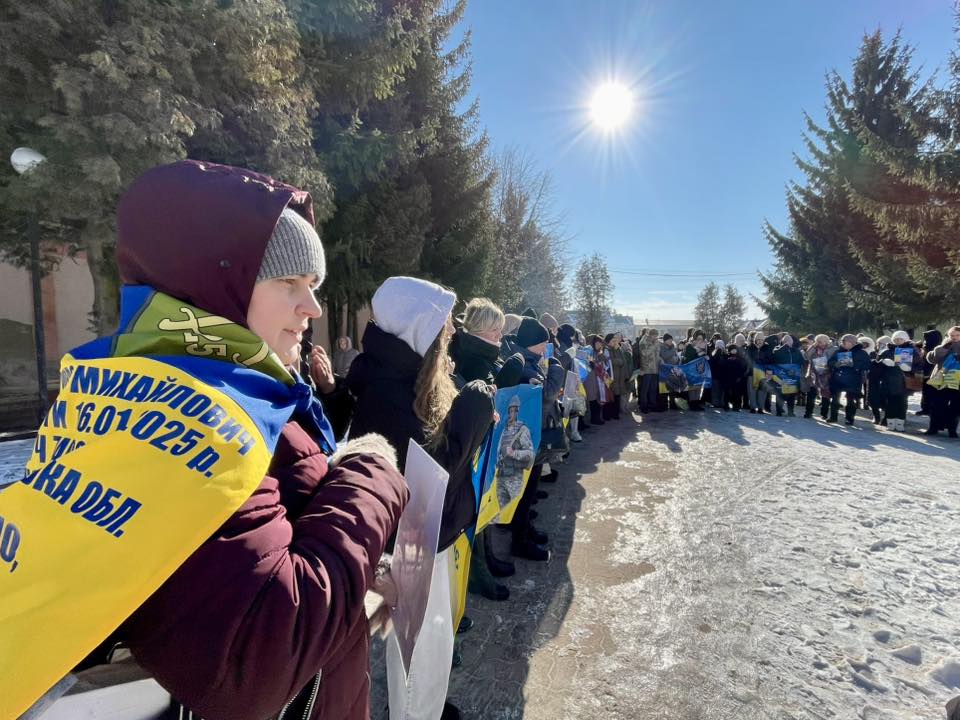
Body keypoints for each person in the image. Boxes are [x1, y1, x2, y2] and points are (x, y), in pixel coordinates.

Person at [71, 161, 409, 720]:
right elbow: (256, 657)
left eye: (313, 286)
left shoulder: (243, 393)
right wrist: (369, 470)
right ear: (213, 289)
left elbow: (274, 551)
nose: (312, 307)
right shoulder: (185, 417)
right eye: (288, 283)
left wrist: (353, 573)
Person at [346, 276, 495, 720]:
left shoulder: (405, 376)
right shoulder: (388, 390)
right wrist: (472, 412)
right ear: (419, 329)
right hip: (411, 541)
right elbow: (430, 477)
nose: (451, 331)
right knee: (418, 651)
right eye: (444, 323)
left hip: (427, 535)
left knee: (433, 643)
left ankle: (423, 710)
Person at [449, 298, 524, 600]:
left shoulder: (481, 352)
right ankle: (477, 574)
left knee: (484, 507)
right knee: (475, 510)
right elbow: (483, 398)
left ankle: (486, 560)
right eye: (496, 331)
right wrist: (509, 375)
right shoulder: (472, 358)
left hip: (482, 442)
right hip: (473, 445)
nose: (500, 336)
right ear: (481, 330)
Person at [510, 317, 566, 561]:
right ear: (532, 343)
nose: (546, 347)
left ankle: (526, 531)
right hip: (526, 437)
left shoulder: (531, 361)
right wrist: (556, 369)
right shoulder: (524, 366)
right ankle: (520, 542)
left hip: (533, 434)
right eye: (543, 342)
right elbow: (546, 396)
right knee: (523, 493)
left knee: (529, 491)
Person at [876, 330, 921, 432]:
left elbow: (919, 365)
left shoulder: (912, 350)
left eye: (900, 339)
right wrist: (883, 362)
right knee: (890, 403)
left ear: (905, 339)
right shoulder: (887, 350)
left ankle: (900, 423)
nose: (898, 341)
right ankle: (890, 422)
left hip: (904, 382)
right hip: (889, 381)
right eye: (896, 339)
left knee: (902, 403)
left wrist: (910, 368)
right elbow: (877, 363)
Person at [828, 333, 872, 425]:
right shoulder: (838, 351)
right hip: (838, 378)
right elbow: (830, 362)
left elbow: (868, 364)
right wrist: (835, 364)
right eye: (842, 341)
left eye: (845, 341)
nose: (842, 343)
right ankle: (833, 417)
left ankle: (849, 418)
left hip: (853, 379)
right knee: (835, 399)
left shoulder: (861, 352)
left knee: (850, 400)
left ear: (852, 342)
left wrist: (856, 366)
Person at [924, 326, 960, 438]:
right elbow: (932, 360)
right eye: (952, 335)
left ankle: (952, 429)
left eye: (957, 335)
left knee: (955, 406)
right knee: (937, 404)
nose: (954, 337)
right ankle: (933, 427)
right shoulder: (944, 345)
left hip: (957, 381)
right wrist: (943, 349)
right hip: (941, 379)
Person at [804, 334, 836, 420]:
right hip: (814, 373)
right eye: (819, 341)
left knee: (825, 395)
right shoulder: (813, 348)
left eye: (823, 341)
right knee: (811, 393)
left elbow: (835, 360)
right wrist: (813, 346)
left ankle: (824, 414)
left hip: (827, 374)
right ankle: (808, 413)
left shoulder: (833, 349)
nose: (821, 343)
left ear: (827, 341)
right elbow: (806, 356)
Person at [771, 333, 804, 417]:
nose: (788, 342)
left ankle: (790, 412)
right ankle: (779, 411)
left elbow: (801, 361)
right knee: (780, 393)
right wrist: (784, 347)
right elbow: (775, 356)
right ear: (782, 341)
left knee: (792, 395)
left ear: (792, 342)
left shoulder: (796, 351)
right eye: (786, 341)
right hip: (781, 376)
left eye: (789, 341)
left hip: (793, 376)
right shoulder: (777, 349)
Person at [637, 328, 662, 413]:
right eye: (655, 336)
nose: (656, 337)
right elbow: (644, 353)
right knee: (645, 389)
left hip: (655, 369)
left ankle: (652, 405)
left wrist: (661, 361)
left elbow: (657, 354)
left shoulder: (656, 342)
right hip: (647, 369)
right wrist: (653, 345)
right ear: (651, 335)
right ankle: (643, 406)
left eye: (657, 336)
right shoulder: (643, 341)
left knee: (653, 389)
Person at [606, 332, 628, 419]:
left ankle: (616, 413)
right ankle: (610, 414)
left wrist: (618, 350)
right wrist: (619, 361)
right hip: (612, 376)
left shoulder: (617, 349)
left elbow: (624, 361)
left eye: (615, 341)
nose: (615, 342)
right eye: (613, 341)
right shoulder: (606, 350)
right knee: (611, 396)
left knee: (617, 395)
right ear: (608, 341)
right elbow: (609, 360)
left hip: (619, 377)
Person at [746, 333, 769, 414]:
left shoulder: (767, 348)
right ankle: (752, 407)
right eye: (758, 339)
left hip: (763, 372)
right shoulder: (750, 347)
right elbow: (747, 359)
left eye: (761, 340)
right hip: (752, 372)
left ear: (763, 340)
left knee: (762, 390)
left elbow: (770, 359)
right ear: (755, 340)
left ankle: (760, 408)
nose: (760, 341)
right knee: (751, 390)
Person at [659, 333, 681, 410]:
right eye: (669, 340)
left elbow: (676, 356)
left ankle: (672, 403)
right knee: (664, 388)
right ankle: (664, 404)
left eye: (672, 340)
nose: (671, 341)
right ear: (665, 340)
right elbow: (664, 356)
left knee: (672, 388)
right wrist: (673, 351)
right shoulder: (661, 347)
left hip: (673, 369)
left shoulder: (673, 347)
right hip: (664, 370)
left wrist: (677, 359)